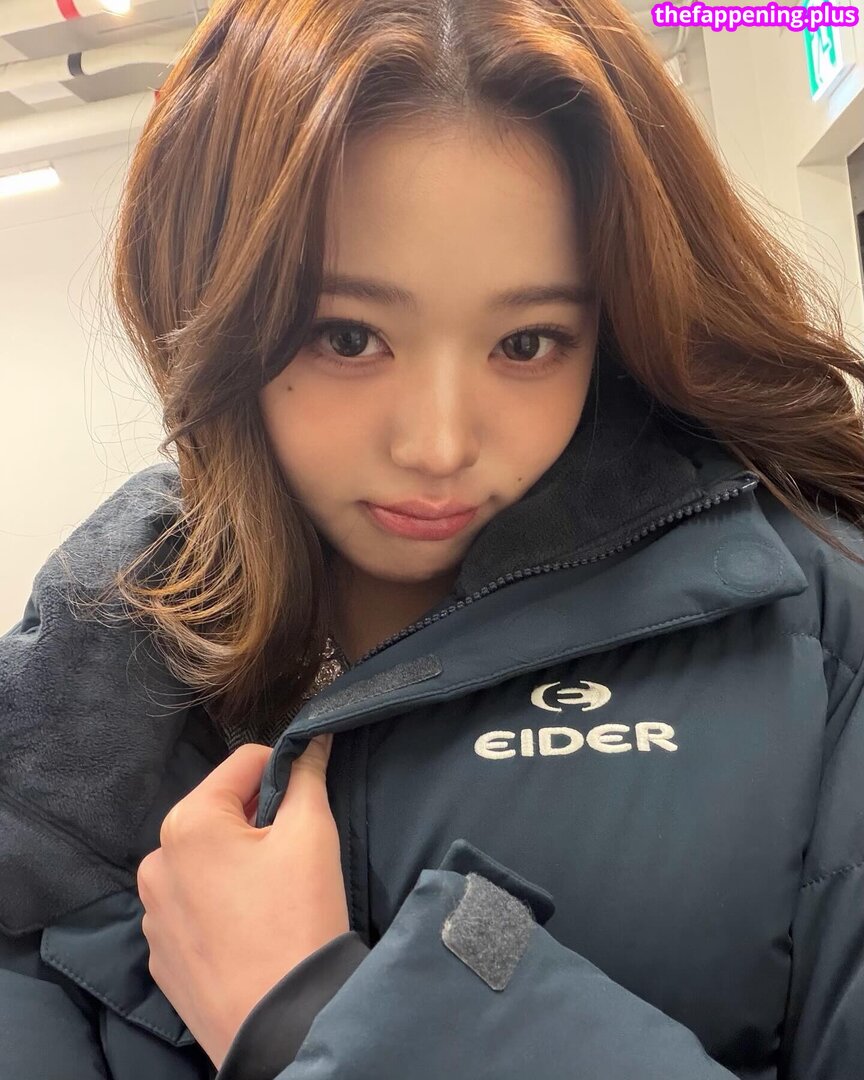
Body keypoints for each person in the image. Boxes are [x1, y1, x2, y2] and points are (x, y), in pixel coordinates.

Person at [2, 0, 864, 1076]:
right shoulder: (73, 686)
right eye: (347, 336)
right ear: (206, 305)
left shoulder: (816, 634)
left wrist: (321, 1015)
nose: (440, 445)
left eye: (528, 342)